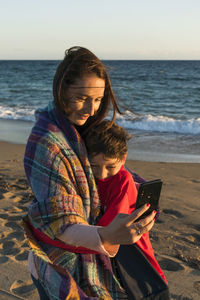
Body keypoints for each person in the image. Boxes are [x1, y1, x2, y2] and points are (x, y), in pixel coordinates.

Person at [22, 46, 156, 299]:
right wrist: (106, 234)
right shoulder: (48, 143)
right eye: (82, 97)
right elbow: (62, 223)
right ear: (62, 91)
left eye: (97, 99)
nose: (91, 109)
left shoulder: (79, 131)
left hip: (87, 257)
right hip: (55, 265)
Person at [83, 120, 167, 283]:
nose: (102, 173)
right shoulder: (93, 178)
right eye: (94, 166)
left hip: (136, 254)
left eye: (110, 166)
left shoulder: (123, 181)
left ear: (123, 158)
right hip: (117, 250)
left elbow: (111, 226)